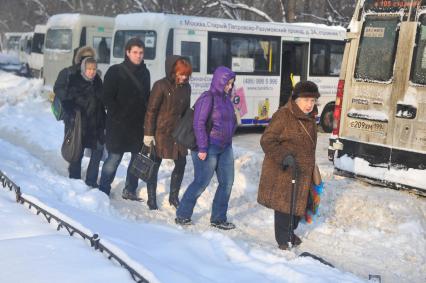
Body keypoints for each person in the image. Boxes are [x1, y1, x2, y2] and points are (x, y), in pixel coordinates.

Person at [257, 81, 320, 250]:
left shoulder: (310, 118)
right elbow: (266, 140)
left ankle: (290, 232)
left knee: (299, 206)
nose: (309, 104)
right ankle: (283, 240)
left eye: (313, 101)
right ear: (296, 99)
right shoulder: (284, 115)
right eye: (306, 100)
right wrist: (284, 156)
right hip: (284, 170)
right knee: (284, 206)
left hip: (303, 171)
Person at [176, 66, 238, 230]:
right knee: (201, 182)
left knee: (227, 182)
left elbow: (231, 121)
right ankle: (182, 215)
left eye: (232, 83)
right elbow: (198, 124)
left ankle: (218, 218)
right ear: (219, 81)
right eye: (227, 83)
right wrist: (202, 148)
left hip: (225, 147)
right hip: (208, 147)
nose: (230, 86)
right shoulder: (207, 97)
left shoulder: (226, 99)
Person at [99, 38, 151, 200]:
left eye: (141, 53)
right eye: (135, 52)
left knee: (136, 159)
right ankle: (103, 189)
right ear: (127, 52)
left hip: (137, 125)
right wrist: (116, 113)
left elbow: (147, 98)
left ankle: (130, 190)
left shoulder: (145, 72)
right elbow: (106, 96)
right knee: (114, 158)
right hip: (118, 125)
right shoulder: (115, 71)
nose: (138, 56)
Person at [143, 56, 192, 210]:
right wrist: (148, 134)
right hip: (161, 132)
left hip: (177, 133)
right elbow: (151, 111)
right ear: (173, 71)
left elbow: (185, 112)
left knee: (181, 163)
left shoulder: (187, 87)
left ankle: (173, 197)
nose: (184, 77)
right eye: (181, 74)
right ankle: (151, 198)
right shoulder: (160, 86)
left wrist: (186, 130)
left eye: (186, 74)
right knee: (154, 164)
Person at [54, 47, 105, 187]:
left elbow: (101, 98)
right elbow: (58, 89)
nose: (90, 67)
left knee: (97, 151)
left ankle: (90, 181)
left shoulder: (96, 78)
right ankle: (74, 179)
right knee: (77, 150)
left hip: (94, 121)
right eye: (84, 59)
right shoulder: (70, 73)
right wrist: (70, 105)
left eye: (90, 59)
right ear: (79, 60)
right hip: (76, 119)